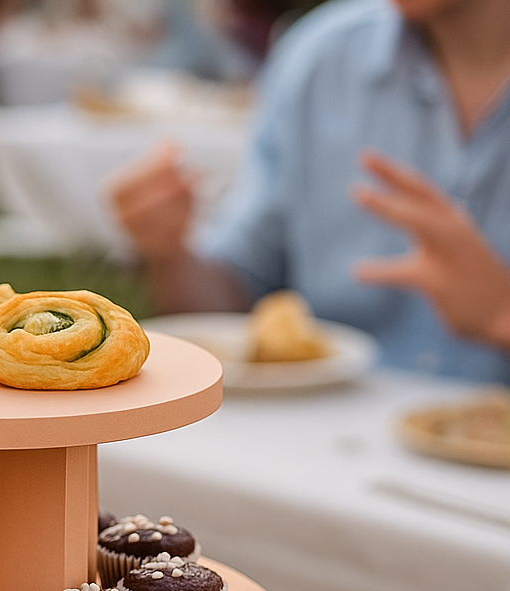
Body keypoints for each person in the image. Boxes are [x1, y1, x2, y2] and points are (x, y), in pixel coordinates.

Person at [110, 0, 510, 382]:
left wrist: (500, 316)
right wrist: (169, 254)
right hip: (318, 441)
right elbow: (233, 300)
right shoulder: (322, 57)